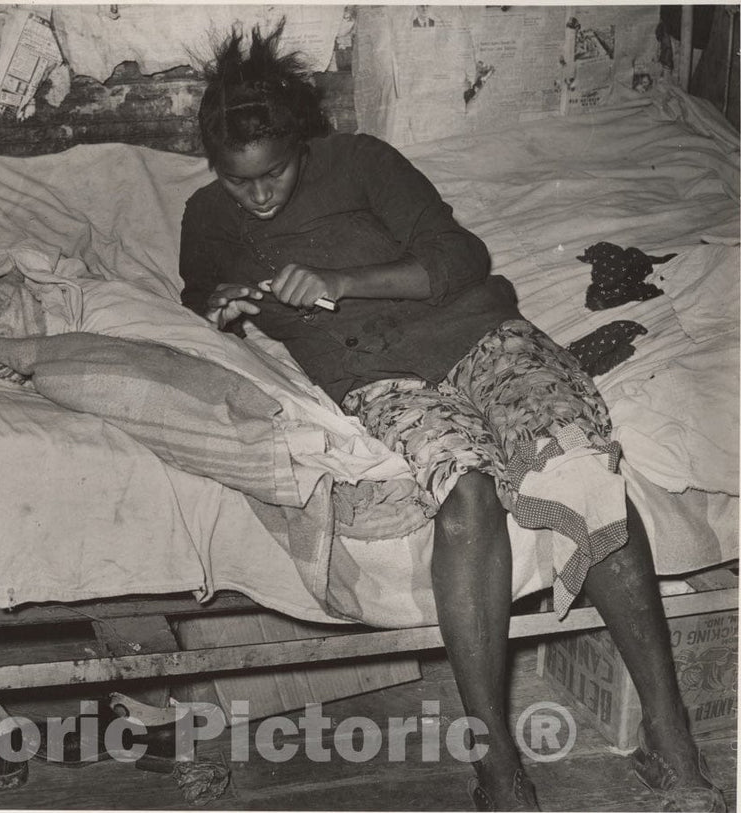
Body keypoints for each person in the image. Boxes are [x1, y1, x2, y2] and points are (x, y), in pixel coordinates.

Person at [178, 22, 726, 812]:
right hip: (377, 373)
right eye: (240, 182)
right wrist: (220, 303)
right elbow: (198, 287)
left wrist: (341, 278)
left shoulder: (363, 161)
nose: (259, 196)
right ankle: (496, 762)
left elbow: (461, 259)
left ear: (300, 141)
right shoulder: (211, 215)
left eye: (274, 174)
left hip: (480, 330)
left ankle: (672, 742)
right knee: (465, 496)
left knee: (581, 476)